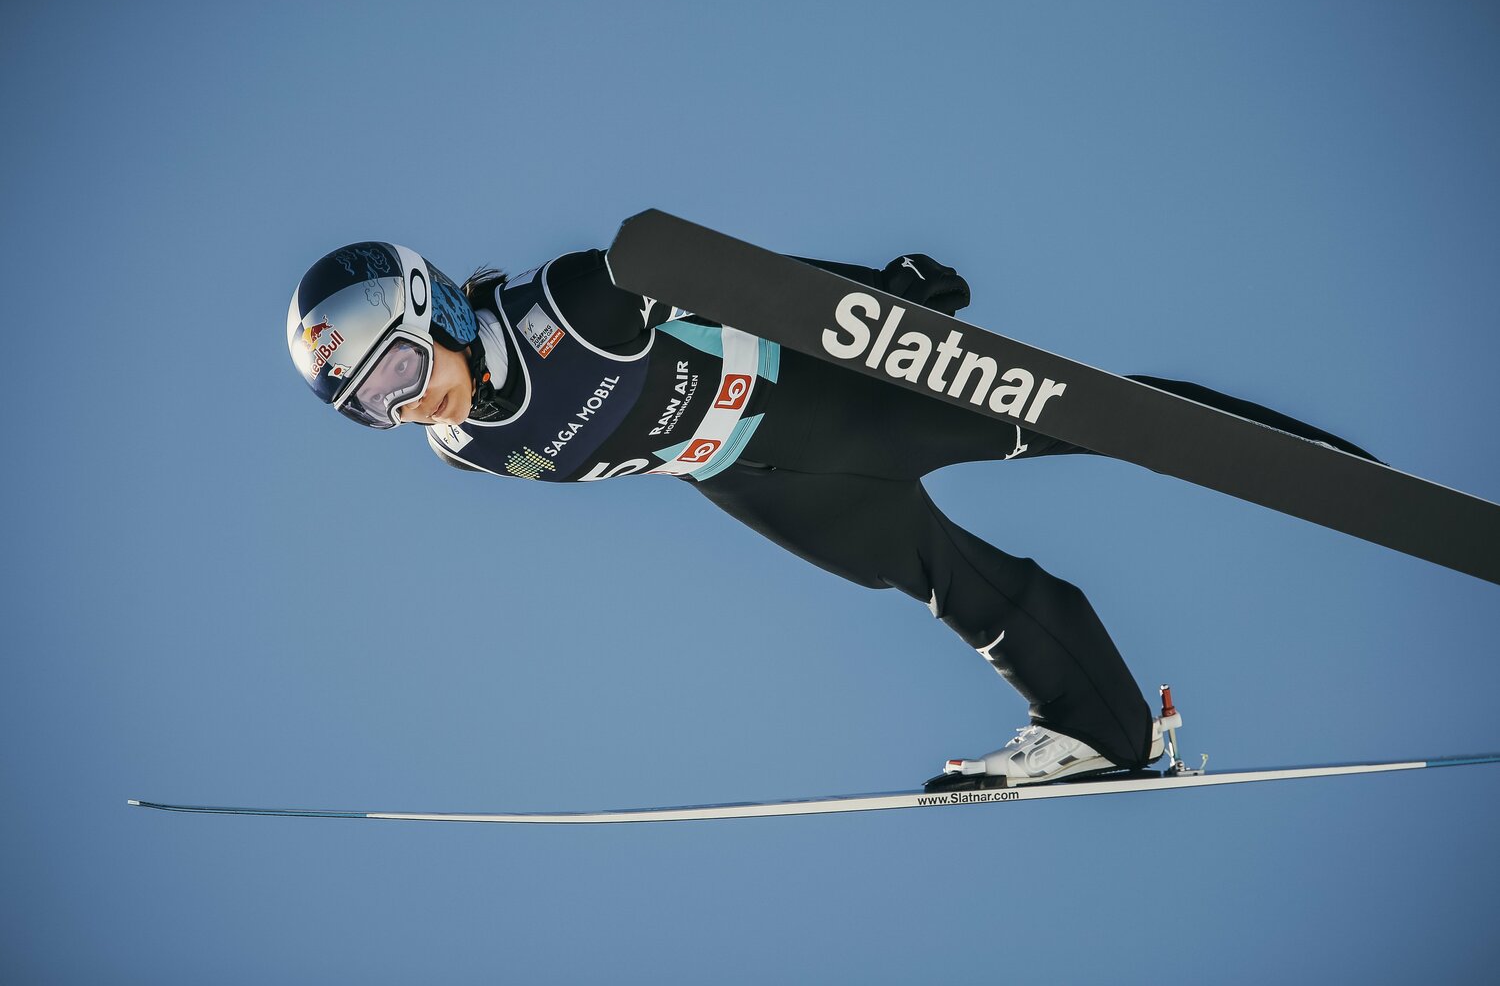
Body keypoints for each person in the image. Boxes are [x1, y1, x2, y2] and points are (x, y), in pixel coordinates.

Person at [286, 240, 1377, 788]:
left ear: (429, 309)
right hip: (755, 477)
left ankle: (1313, 465)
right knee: (941, 577)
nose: (400, 406)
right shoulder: (462, 449)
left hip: (830, 397)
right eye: (367, 410)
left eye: (392, 373)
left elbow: (745, 281)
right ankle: (1107, 730)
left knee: (1077, 418)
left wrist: (881, 302)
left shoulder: (572, 300)